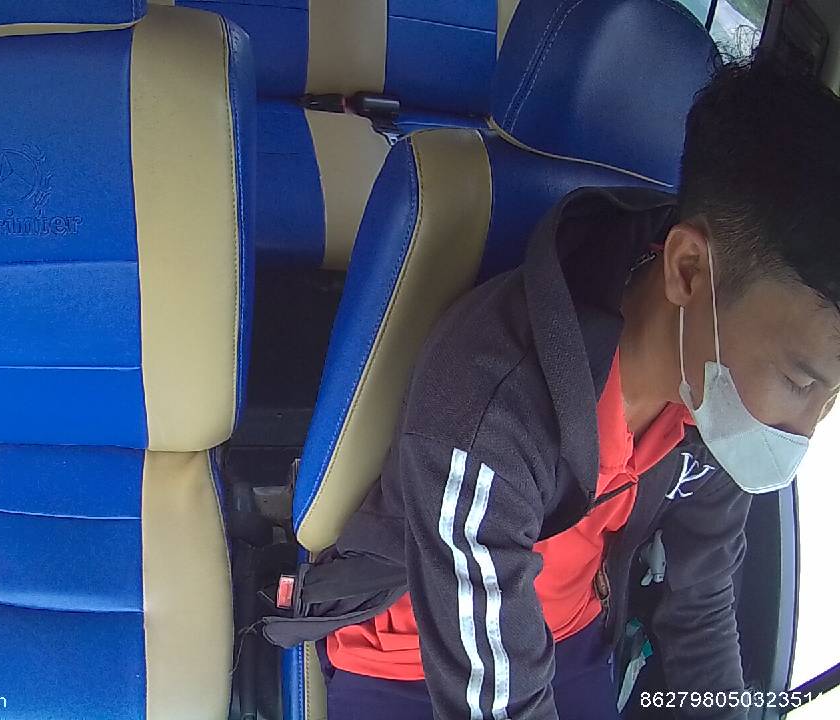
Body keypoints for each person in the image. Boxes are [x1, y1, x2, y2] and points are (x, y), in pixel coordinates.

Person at [265, 60, 840, 720]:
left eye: (833, 396)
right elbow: (494, 699)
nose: (805, 428)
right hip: (412, 658)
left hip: (573, 637)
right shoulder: (492, 400)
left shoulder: (718, 404)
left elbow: (703, 600)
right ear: (687, 270)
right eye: (800, 381)